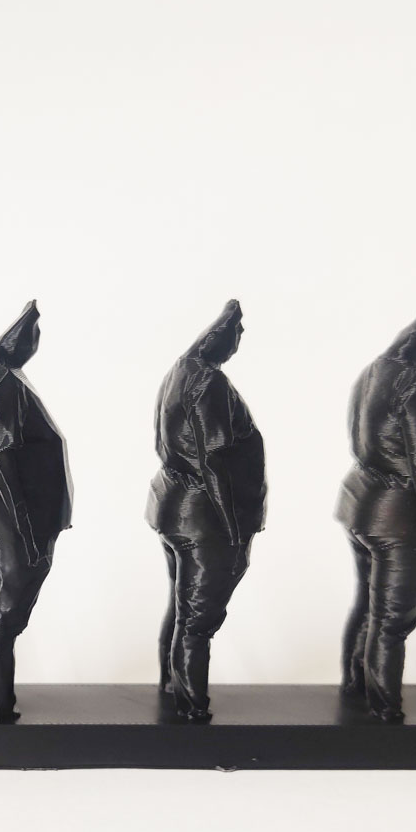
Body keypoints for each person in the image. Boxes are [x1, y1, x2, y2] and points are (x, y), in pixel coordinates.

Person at [336, 301, 416, 722]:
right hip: (400, 518)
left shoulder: (372, 371)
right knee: (391, 621)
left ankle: (356, 686)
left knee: (368, 606)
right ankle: (385, 711)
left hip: (361, 506)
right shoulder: (414, 381)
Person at [145, 300, 267, 722]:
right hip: (204, 516)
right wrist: (233, 529)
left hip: (173, 506)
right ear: (222, 337)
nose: (239, 341)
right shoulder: (207, 381)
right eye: (237, 333)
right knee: (197, 622)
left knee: (182, 610)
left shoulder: (180, 370)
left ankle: (172, 686)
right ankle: (192, 708)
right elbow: (214, 459)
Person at [0, 300, 73, 722]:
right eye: (33, 336)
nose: (36, 343)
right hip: (5, 514)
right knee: (4, 615)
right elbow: (3, 461)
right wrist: (26, 531)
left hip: (3, 511)